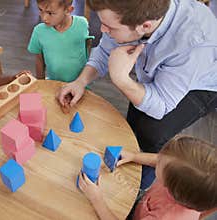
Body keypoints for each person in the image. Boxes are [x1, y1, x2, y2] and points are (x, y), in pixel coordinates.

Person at [57, 0, 217, 188]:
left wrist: (121, 79)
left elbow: (161, 106)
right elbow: (104, 50)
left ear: (146, 26)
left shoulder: (194, 42)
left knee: (152, 132)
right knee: (135, 118)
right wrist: (80, 81)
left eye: (109, 26)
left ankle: (139, 184)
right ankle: (130, 151)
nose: (102, 29)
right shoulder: (128, 13)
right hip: (161, 68)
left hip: (202, 85)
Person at [78, 135, 217, 220]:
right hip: (145, 206)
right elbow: (161, 160)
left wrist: (97, 200)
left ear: (171, 187)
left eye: (160, 162)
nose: (158, 158)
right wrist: (134, 156)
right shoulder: (184, 181)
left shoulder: (164, 217)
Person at [28, 0, 93, 82]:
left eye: (50, 13)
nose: (44, 18)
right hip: (54, 83)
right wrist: (40, 83)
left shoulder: (82, 24)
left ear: (68, 10)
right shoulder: (39, 31)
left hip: (80, 84)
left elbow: (87, 47)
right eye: (40, 10)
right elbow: (39, 60)